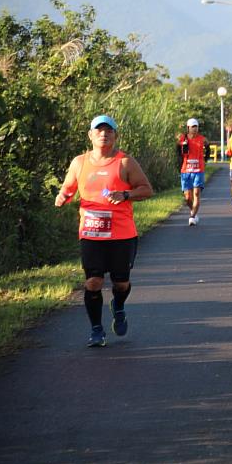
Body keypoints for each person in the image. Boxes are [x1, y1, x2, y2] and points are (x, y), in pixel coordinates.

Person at [54, 115, 153, 347]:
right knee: (93, 282)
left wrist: (125, 194)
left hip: (122, 234)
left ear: (115, 136)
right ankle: (96, 330)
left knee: (121, 283)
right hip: (91, 233)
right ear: (90, 135)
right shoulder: (79, 162)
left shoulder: (125, 162)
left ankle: (118, 305)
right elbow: (68, 189)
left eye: (109, 130)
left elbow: (147, 189)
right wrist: (62, 197)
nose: (103, 134)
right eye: (98, 130)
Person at [178, 118, 210, 226]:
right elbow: (177, 151)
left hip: (198, 170)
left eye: (196, 127)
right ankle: (193, 211)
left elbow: (208, 148)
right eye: (192, 127)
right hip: (186, 170)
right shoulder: (182, 138)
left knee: (196, 193)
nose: (195, 129)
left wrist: (205, 160)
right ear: (188, 128)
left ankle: (192, 216)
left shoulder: (202, 139)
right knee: (187, 197)